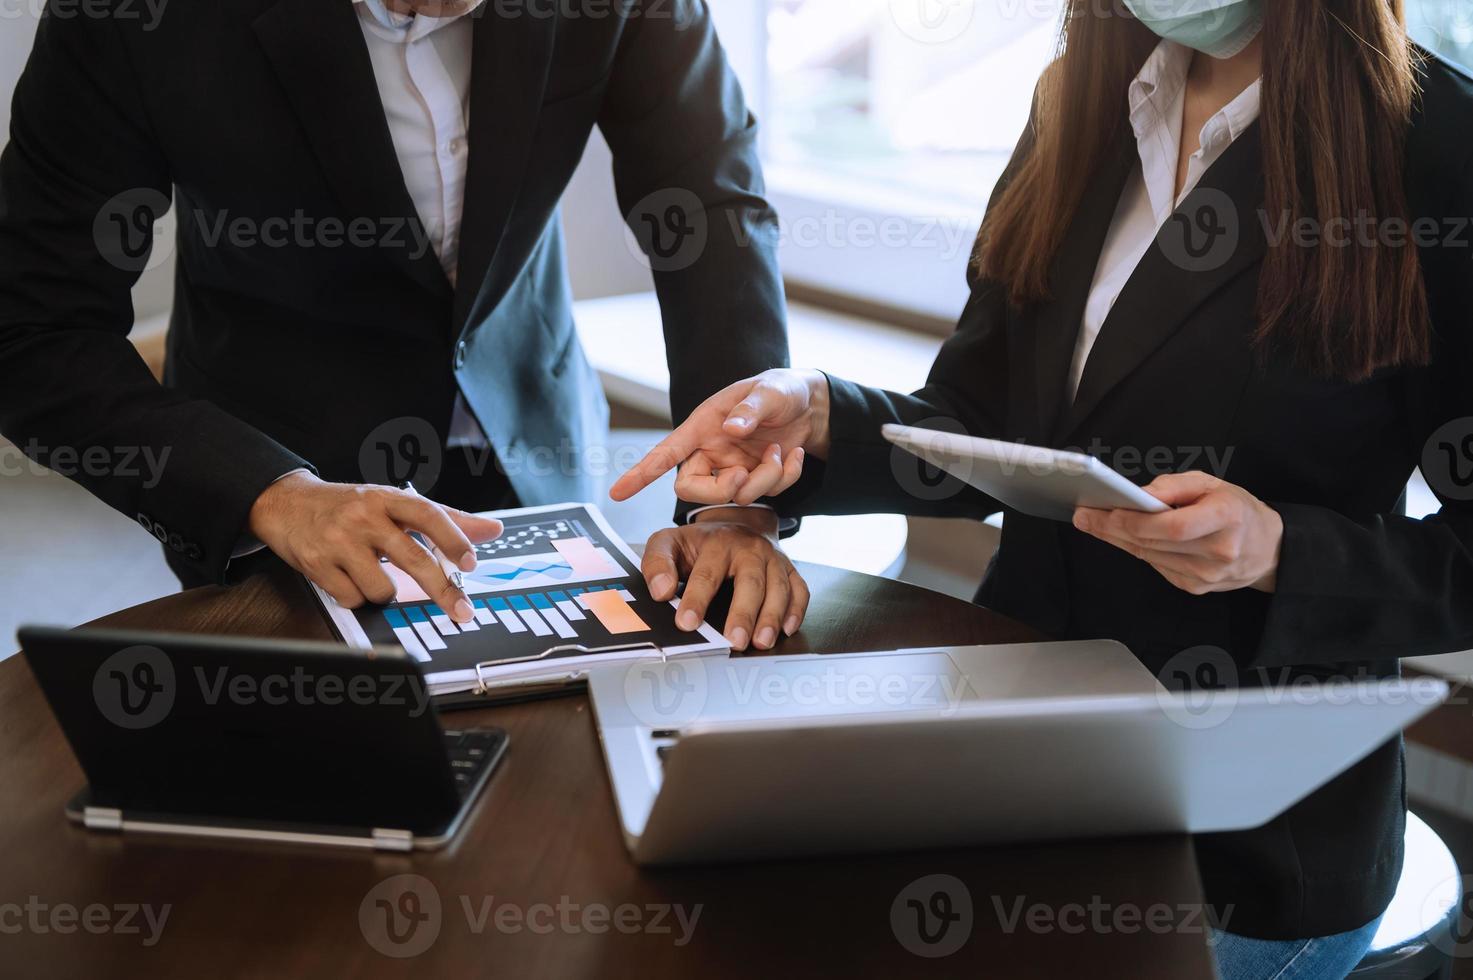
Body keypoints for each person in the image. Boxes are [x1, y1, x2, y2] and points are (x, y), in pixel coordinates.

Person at [613, 1, 1473, 975]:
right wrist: (814, 413)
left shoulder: (1437, 148)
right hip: (1013, 755)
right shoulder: (1080, 95)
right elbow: (985, 424)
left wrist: (1282, 552)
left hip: (1244, 838)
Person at [0, 0, 804, 648]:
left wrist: (731, 491)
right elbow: (34, 329)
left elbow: (710, 209)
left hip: (532, 437)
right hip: (277, 474)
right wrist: (268, 493)